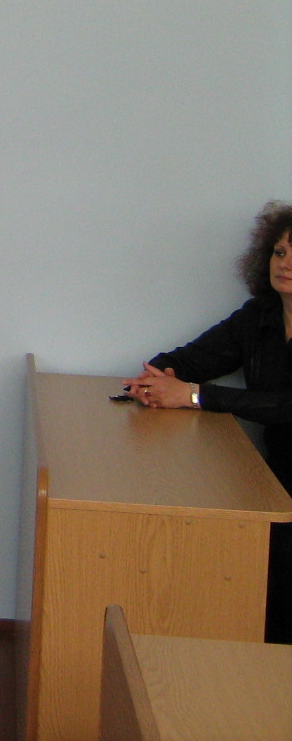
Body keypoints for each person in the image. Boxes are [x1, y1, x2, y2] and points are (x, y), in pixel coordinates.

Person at [124, 200, 292, 643]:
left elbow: (285, 406)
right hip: (276, 479)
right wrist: (155, 379)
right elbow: (194, 358)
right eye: (280, 252)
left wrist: (196, 396)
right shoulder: (260, 316)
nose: (286, 264)